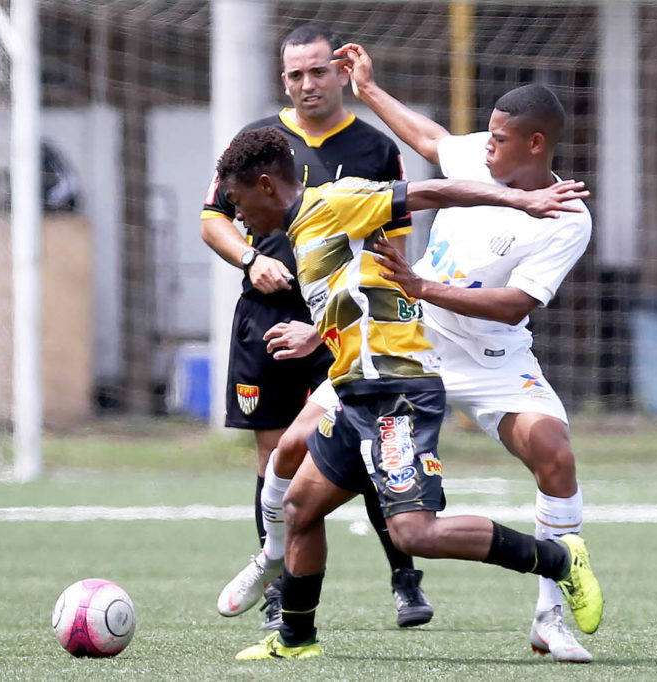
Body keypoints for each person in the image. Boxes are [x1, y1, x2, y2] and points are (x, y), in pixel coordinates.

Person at [230, 45, 602, 662]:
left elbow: (515, 304)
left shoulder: (565, 217)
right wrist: (369, 90)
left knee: (552, 454)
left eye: (501, 139)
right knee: (292, 456)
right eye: (486, 132)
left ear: (535, 145)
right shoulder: (479, 154)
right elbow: (430, 139)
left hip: (478, 357)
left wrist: (426, 284)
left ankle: (550, 615)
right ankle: (275, 573)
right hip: (409, 335)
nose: (485, 145)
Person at [200, 24, 433, 630]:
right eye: (296, 74)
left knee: (370, 443)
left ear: (340, 74)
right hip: (269, 322)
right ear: (285, 80)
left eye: (318, 71)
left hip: (346, 319)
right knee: (274, 452)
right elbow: (212, 220)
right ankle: (281, 593)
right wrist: (252, 259)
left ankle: (406, 579)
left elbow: (391, 250)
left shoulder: (376, 149)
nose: (308, 83)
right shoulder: (256, 143)